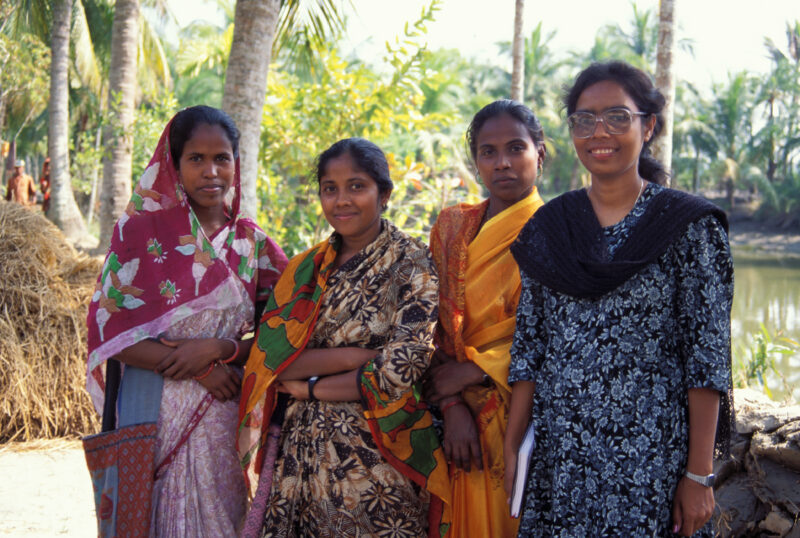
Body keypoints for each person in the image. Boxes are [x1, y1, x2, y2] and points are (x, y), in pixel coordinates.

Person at [504, 60, 734, 537]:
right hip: (561, 462)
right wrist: (513, 447)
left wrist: (698, 474)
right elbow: (530, 349)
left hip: (651, 461)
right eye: (583, 120)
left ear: (648, 126)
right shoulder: (552, 227)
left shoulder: (688, 227)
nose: (598, 132)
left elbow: (706, 360)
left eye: (617, 117)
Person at [86, 105, 287, 536]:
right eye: (196, 159)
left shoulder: (253, 245)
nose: (211, 171)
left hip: (221, 421)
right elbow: (111, 335)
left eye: (222, 158)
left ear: (237, 163)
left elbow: (285, 332)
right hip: (152, 417)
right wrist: (203, 368)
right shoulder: (139, 236)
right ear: (173, 165)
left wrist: (224, 350)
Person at [238, 137, 452, 537]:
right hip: (299, 456)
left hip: (377, 454)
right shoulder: (305, 270)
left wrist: (310, 389)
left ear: (384, 193)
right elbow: (270, 362)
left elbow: (400, 369)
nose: (342, 201)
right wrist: (354, 356)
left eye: (357, 186)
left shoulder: (412, 263)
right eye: (329, 189)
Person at [424, 99, 545, 538]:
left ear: (540, 154)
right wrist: (452, 401)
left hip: (521, 415)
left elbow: (559, 333)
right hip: (448, 411)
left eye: (516, 148)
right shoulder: (452, 226)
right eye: (488, 152)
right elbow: (428, 321)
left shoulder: (558, 232)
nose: (503, 163)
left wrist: (472, 371)